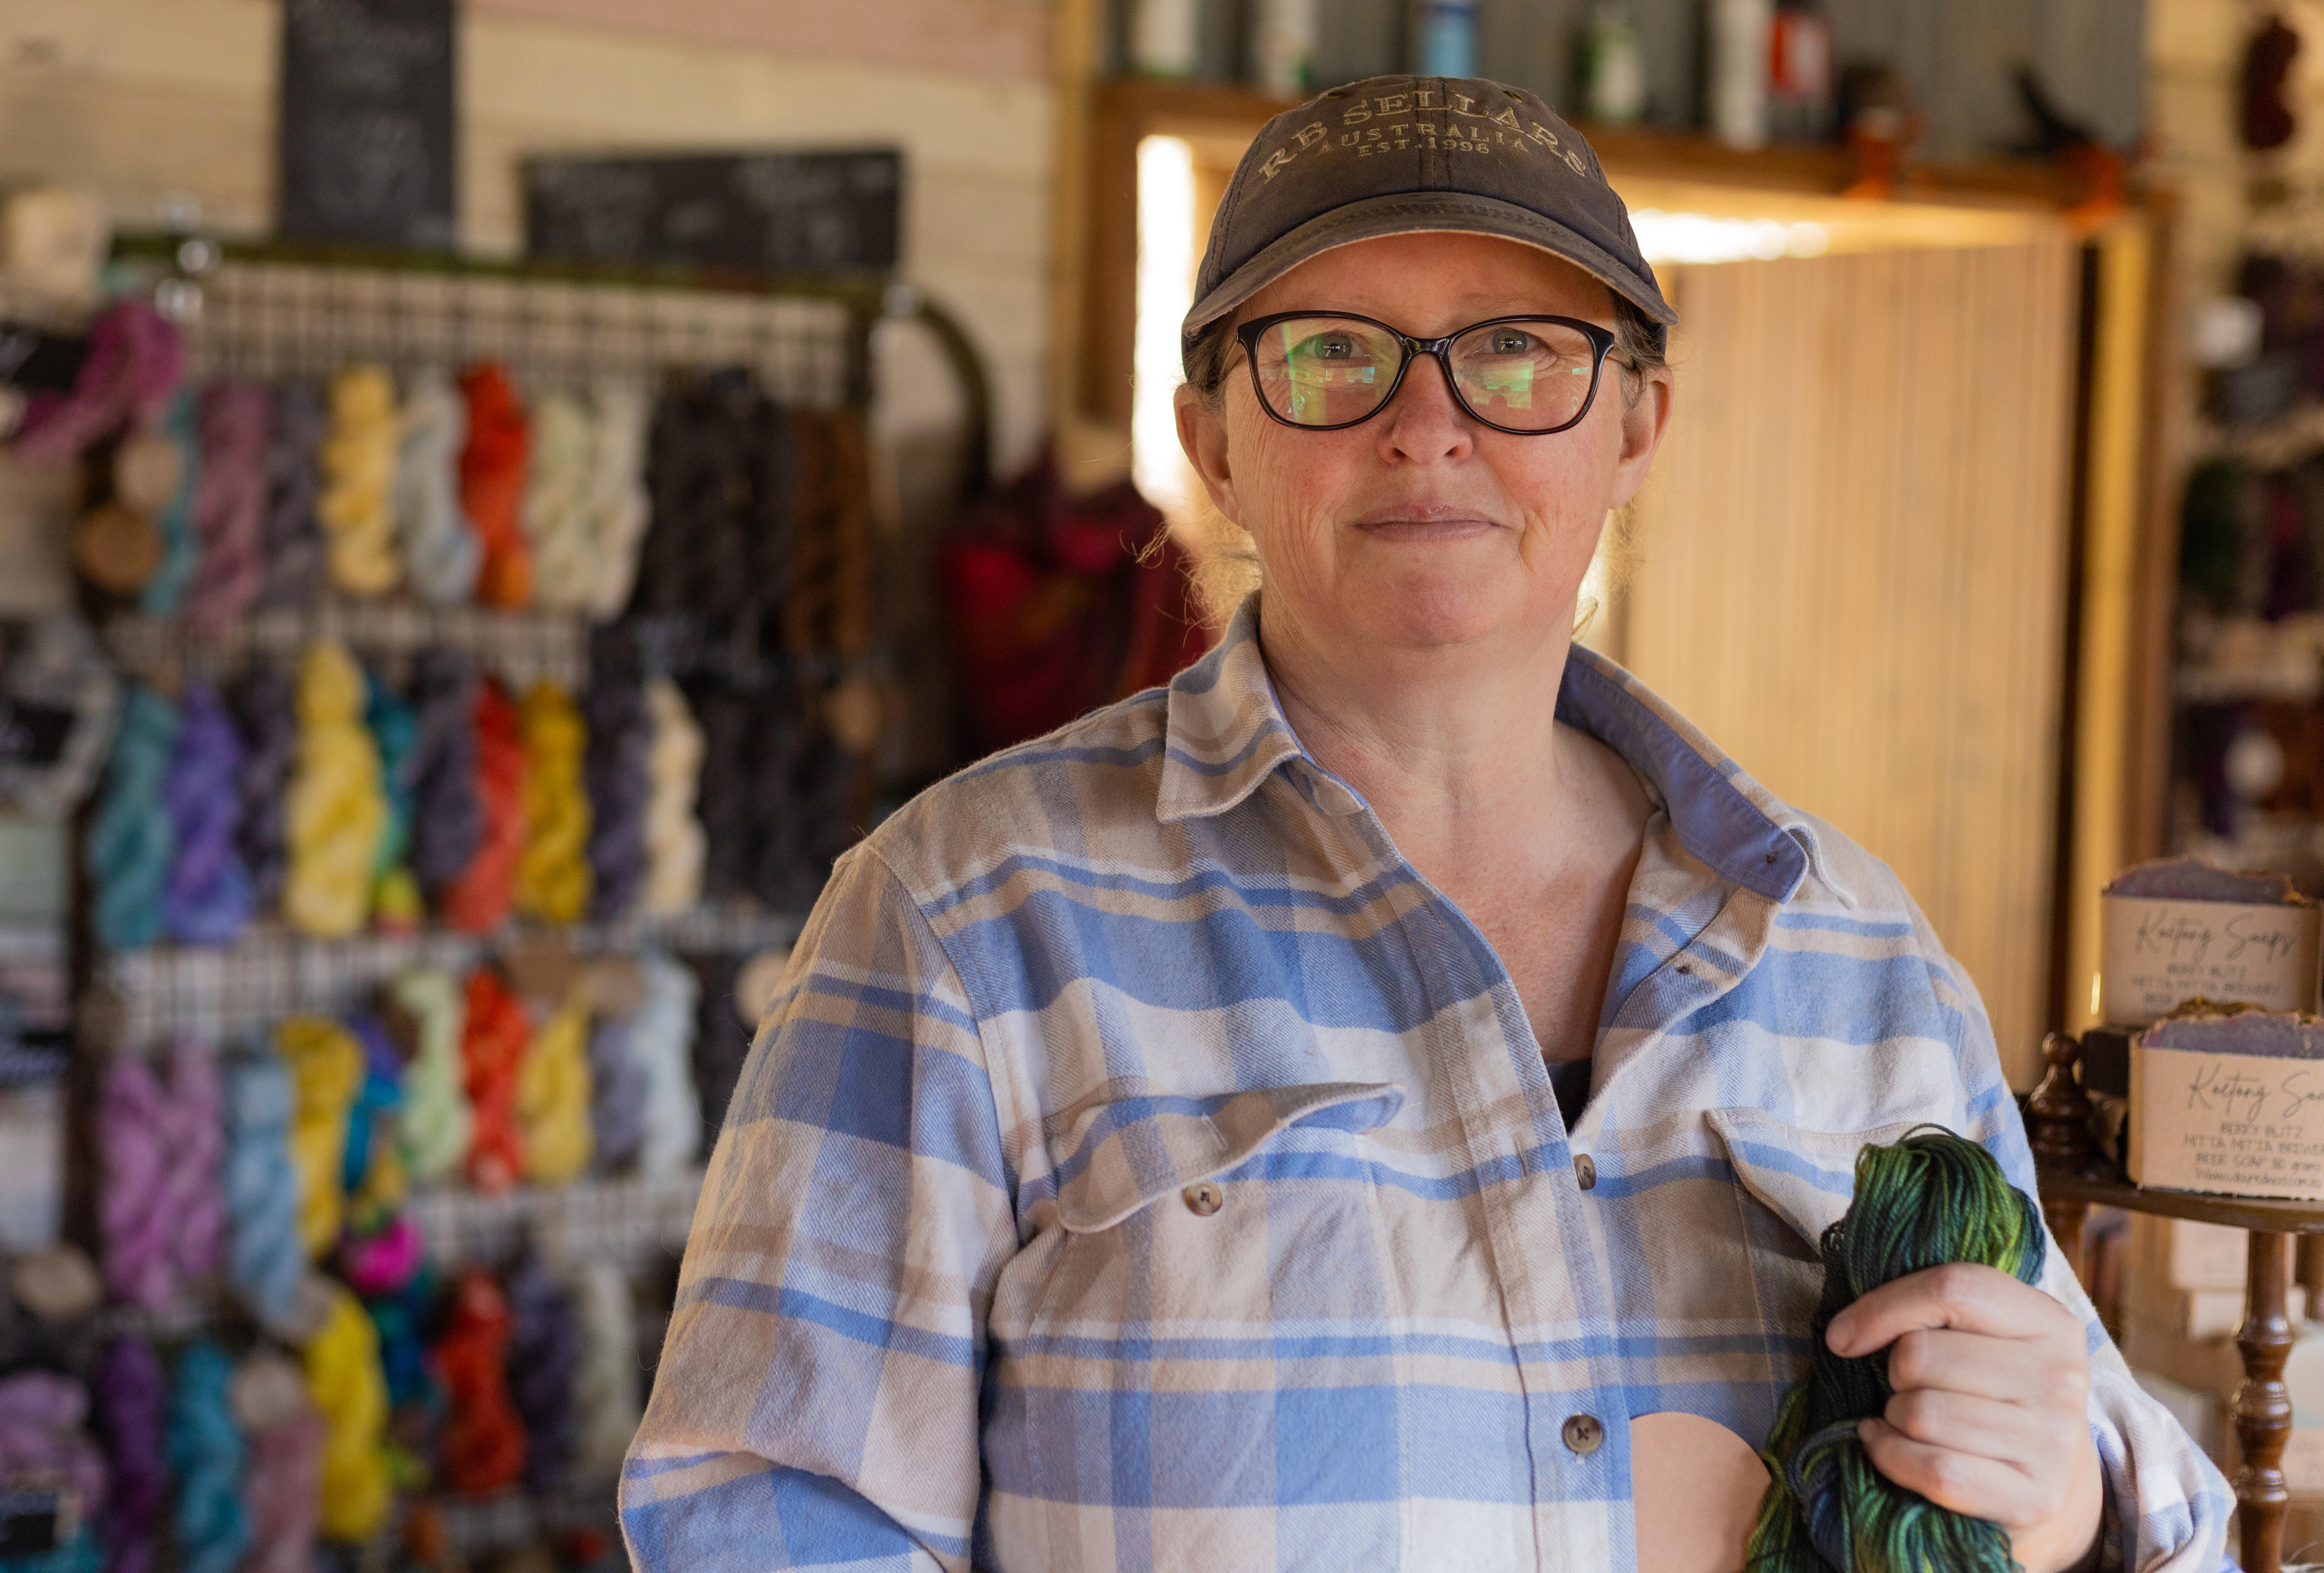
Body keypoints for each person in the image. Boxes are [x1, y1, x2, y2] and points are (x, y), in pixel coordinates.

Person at [621, 75, 2230, 1573]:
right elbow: (766, 1517)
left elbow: (2154, 1515)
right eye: (1333, 352)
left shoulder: (1854, 948)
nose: (1427, 425)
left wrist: (2074, 1501)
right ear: (1214, 442)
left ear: (1635, 429)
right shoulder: (967, 921)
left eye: (1521, 351)